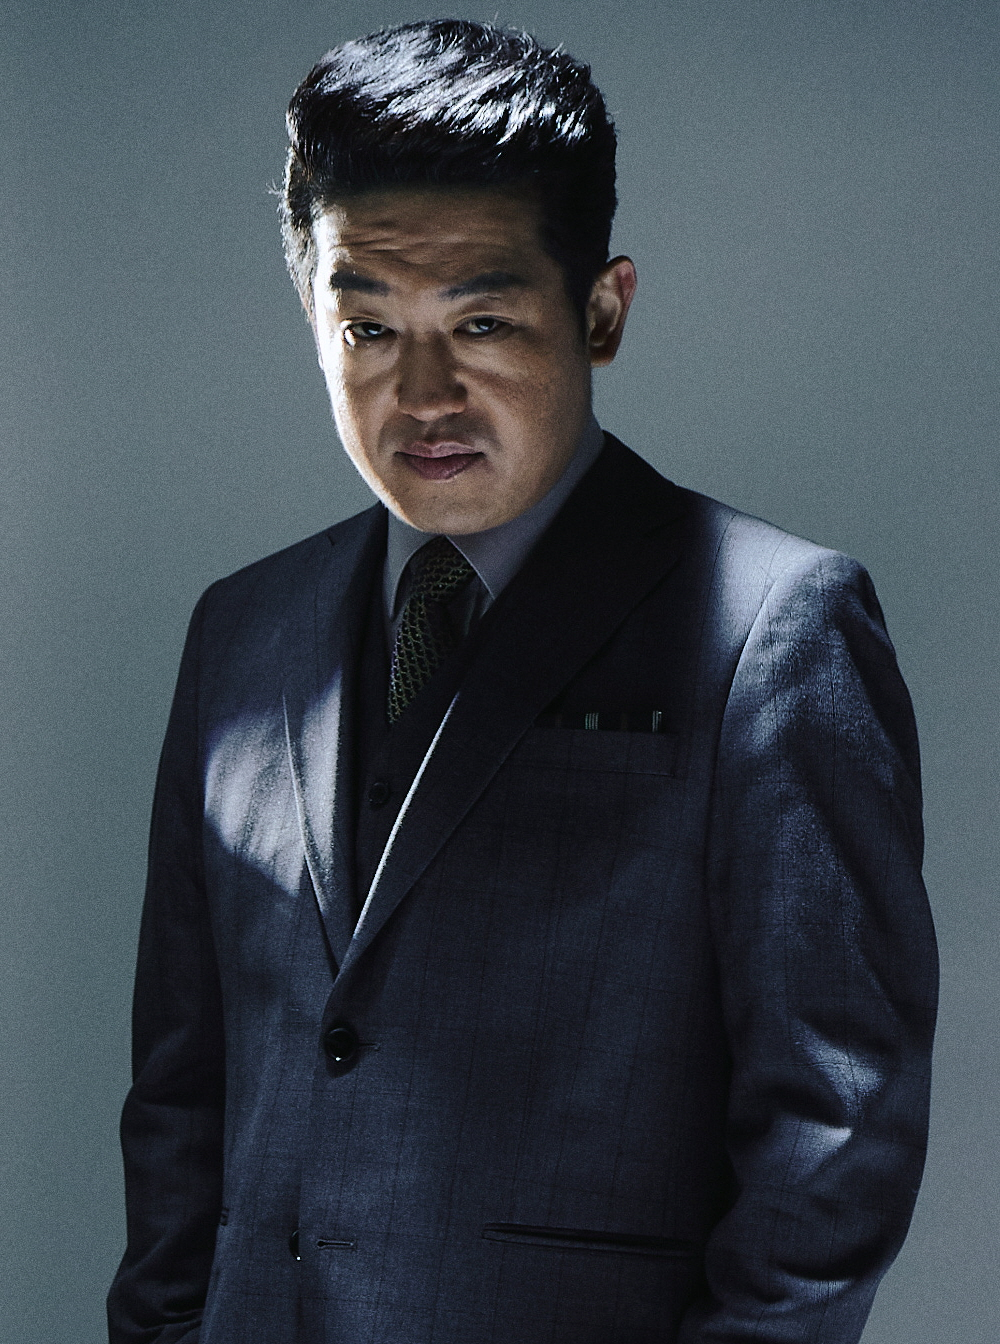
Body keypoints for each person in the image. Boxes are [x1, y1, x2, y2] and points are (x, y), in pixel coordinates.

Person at [107, 19, 938, 1344]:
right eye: (368, 327)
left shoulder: (775, 626)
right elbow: (179, 1093)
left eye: (482, 322)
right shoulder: (242, 632)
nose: (423, 392)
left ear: (601, 311)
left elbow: (834, 1134)